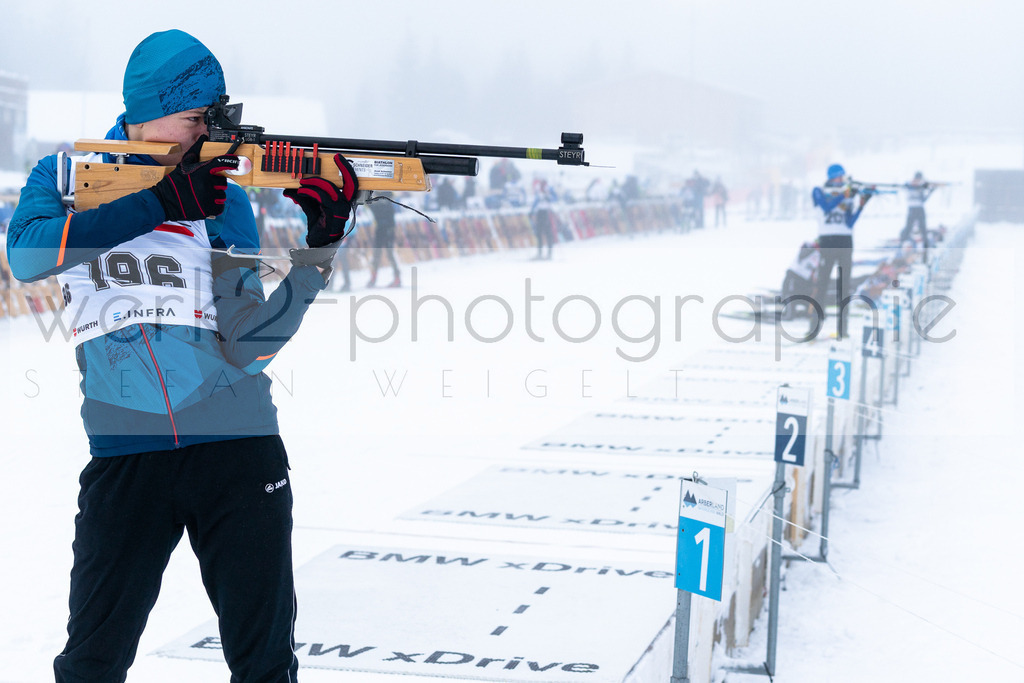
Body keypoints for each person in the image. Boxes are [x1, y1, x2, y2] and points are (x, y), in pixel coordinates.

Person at [5, 30, 359, 682]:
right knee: (89, 666)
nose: (207, 135)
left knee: (264, 667)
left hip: (238, 452)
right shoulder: (63, 178)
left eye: (215, 119)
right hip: (125, 456)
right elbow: (26, 256)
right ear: (147, 112)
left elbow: (246, 346)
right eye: (196, 118)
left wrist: (318, 252)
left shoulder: (225, 202)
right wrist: (160, 204)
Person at [810, 163, 873, 338]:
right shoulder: (819, 191)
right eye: (839, 177)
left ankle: (843, 330)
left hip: (845, 241)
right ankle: (813, 328)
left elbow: (849, 223)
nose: (841, 180)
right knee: (822, 284)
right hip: (827, 241)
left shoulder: (847, 195)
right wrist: (842, 195)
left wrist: (861, 205)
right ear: (832, 177)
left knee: (844, 287)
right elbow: (826, 207)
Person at [898, 171, 937, 262]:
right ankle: (901, 250)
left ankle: (925, 253)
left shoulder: (920, 186)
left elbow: (923, 199)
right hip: (912, 209)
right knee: (908, 229)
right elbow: (906, 186)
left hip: (919, 209)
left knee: (923, 230)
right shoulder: (908, 184)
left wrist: (931, 190)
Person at [367, 191, 401, 287]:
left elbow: (367, 203)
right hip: (386, 231)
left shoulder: (378, 205)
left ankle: (374, 278)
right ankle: (396, 278)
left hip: (383, 231)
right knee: (387, 255)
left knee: (379, 255)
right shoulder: (388, 204)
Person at [529, 179, 557, 260]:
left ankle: (549, 253)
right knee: (539, 233)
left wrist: (548, 197)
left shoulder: (549, 188)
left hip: (547, 212)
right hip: (540, 213)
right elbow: (536, 200)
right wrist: (532, 211)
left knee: (548, 233)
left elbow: (555, 198)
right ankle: (540, 253)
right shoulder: (538, 188)